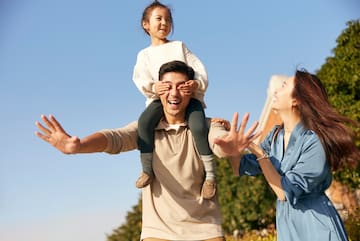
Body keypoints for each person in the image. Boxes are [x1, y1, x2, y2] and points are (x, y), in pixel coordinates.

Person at [35, 60, 260, 241]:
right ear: (158, 91)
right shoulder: (146, 128)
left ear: (191, 92)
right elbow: (115, 138)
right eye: (168, 86)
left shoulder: (209, 125)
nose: (174, 93)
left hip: (204, 230)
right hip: (158, 231)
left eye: (182, 86)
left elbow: (219, 141)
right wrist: (79, 145)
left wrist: (230, 148)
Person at [214, 70, 360, 241]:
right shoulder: (275, 136)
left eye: (283, 87)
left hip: (317, 225)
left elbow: (285, 191)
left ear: (295, 100)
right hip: (288, 226)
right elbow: (240, 167)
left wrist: (257, 151)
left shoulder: (314, 142)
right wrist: (234, 145)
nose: (275, 92)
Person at [133, 0, 216, 199]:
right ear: (146, 24)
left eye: (168, 20)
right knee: (144, 123)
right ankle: (147, 170)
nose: (164, 23)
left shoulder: (179, 46)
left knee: (198, 126)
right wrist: (154, 86)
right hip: (160, 100)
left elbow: (199, 69)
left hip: (187, 98)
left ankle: (211, 176)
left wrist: (195, 83)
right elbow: (140, 78)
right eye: (158, 19)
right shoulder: (144, 55)